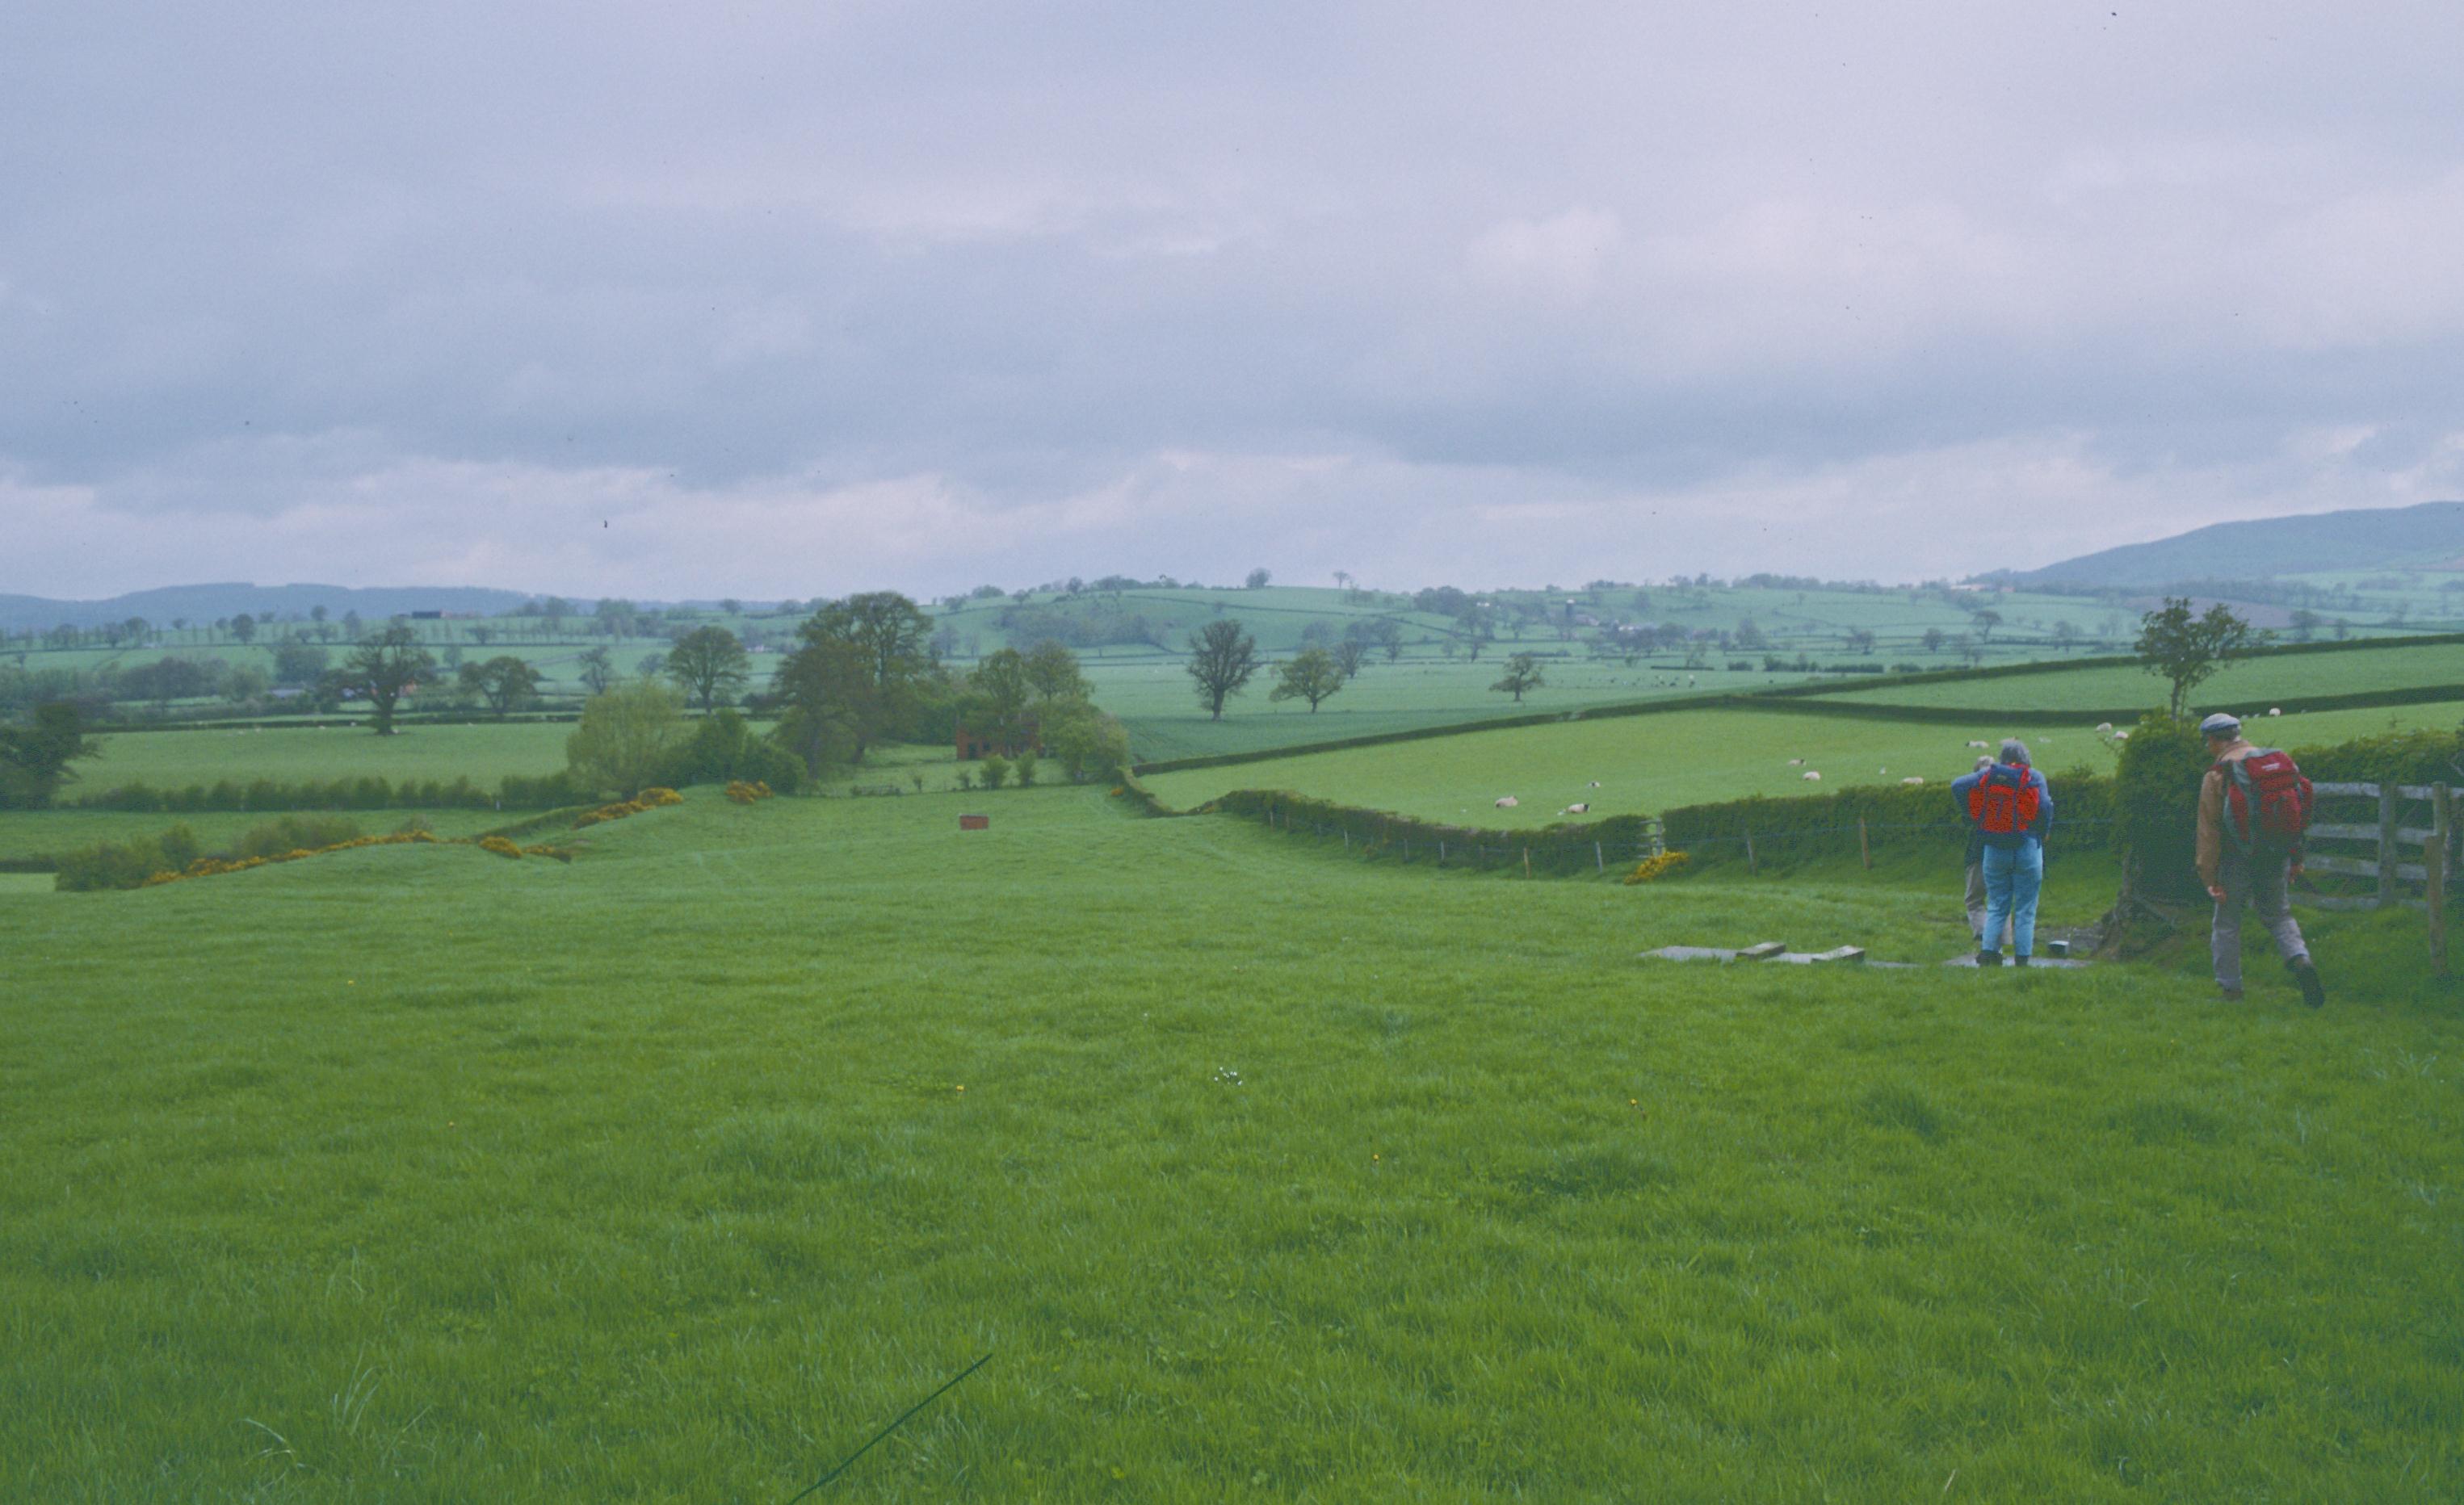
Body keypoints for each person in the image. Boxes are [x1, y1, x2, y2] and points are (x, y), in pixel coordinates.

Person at [2197, 712, 2327, 1006]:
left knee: (2228, 923)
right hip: (2276, 853)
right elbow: (2297, 813)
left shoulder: (2219, 774)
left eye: (2208, 741)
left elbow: (2209, 829)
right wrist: (2296, 858)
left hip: (2236, 858)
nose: (2207, 747)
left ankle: (2231, 992)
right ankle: (2301, 960)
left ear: (2215, 740)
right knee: (2279, 915)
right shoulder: (2278, 764)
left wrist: (2209, 876)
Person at [1952, 739, 2052, 966]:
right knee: (2026, 908)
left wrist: (1975, 816)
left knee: (1997, 904)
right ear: (2026, 758)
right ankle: (2022, 960)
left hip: (1994, 845)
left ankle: (1989, 954)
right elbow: (2045, 806)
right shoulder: (2034, 776)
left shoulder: (1990, 775)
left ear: (2002, 759)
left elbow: (1957, 785)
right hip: (2027, 845)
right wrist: (2043, 831)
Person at [1961, 755, 2013, 949]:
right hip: (2004, 849)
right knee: (2001, 899)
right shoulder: (2007, 794)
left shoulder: (1972, 795)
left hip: (1978, 852)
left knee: (1974, 899)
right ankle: (2005, 940)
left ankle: (1984, 935)